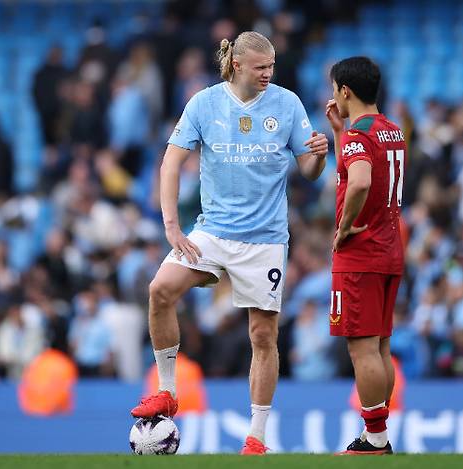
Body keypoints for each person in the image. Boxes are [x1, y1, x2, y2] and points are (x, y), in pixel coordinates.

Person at [129, 31, 328, 455]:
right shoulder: (204, 103)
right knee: (160, 290)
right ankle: (167, 390)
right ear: (237, 64)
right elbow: (171, 163)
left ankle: (256, 437)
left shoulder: (287, 103)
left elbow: (309, 170)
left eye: (272, 67)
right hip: (213, 231)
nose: (268, 75)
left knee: (262, 335)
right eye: (261, 68)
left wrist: (319, 154)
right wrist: (171, 227)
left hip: (265, 240)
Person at [325, 56, 405, 455]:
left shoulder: (360, 137)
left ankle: (375, 438)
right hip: (390, 250)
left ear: (345, 91)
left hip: (361, 254)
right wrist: (340, 132)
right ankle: (379, 434)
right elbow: (358, 168)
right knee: (381, 347)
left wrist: (343, 228)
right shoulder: (391, 131)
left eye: (333, 89)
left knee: (361, 349)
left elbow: (357, 181)